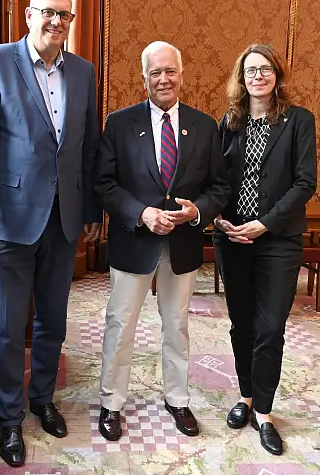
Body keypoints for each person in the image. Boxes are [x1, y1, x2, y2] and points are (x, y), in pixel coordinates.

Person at [0, 0, 101, 467]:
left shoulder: (83, 72)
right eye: (47, 13)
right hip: (9, 223)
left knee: (53, 321)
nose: (56, 22)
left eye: (65, 15)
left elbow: (87, 148)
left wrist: (89, 214)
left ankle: (42, 399)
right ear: (28, 15)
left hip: (63, 222)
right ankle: (8, 419)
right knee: (6, 328)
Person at [94, 41, 230, 442]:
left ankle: (177, 398)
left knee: (176, 324)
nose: (164, 79)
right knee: (121, 324)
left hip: (184, 243)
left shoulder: (204, 126)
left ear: (182, 74)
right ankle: (111, 403)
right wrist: (142, 213)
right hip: (134, 240)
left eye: (170, 71)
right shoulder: (119, 123)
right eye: (155, 72)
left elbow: (220, 186)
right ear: (144, 78)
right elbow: (104, 183)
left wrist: (197, 211)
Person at [212, 44, 317, 455]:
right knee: (242, 325)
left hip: (277, 240)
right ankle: (247, 397)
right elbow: (216, 179)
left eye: (265, 69)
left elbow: (305, 182)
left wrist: (266, 223)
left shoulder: (298, 121)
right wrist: (220, 220)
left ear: (277, 74)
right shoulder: (230, 122)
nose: (258, 76)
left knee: (271, 327)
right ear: (241, 77)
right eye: (250, 70)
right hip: (233, 238)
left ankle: (265, 413)